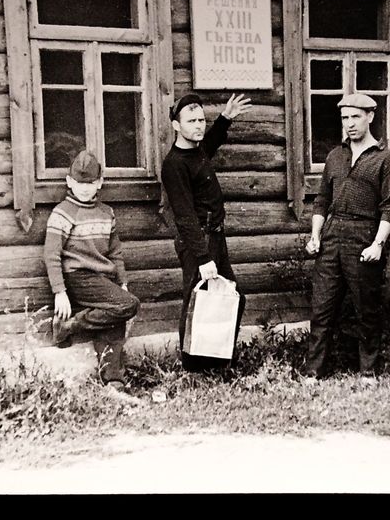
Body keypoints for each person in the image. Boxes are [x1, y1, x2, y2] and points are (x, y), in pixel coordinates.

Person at [304, 93, 390, 383]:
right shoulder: (335, 156)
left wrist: (378, 244)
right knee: (322, 308)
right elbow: (322, 200)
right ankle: (314, 372)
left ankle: (368, 371)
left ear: (370, 116)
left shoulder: (385, 160)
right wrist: (315, 236)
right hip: (332, 236)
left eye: (355, 116)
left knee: (366, 308)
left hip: (364, 236)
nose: (350, 123)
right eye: (345, 117)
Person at [161, 92, 253, 372]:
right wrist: (202, 258)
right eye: (191, 121)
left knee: (232, 298)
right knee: (196, 302)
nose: (199, 125)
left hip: (214, 236)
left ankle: (217, 361)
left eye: (201, 120)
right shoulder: (174, 164)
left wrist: (225, 118)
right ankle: (192, 369)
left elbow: (210, 143)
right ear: (176, 125)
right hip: (198, 240)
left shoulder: (197, 151)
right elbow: (184, 216)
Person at [45, 150, 141, 390]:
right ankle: (70, 325)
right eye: (79, 183)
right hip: (78, 277)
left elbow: (115, 252)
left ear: (100, 182)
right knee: (128, 305)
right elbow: (51, 254)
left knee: (115, 318)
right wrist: (59, 292)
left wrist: (122, 282)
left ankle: (113, 380)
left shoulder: (107, 213)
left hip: (103, 278)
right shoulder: (62, 213)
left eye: (90, 183)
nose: (85, 189)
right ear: (69, 182)